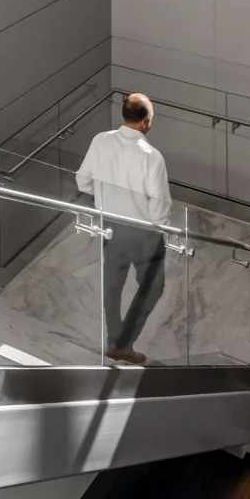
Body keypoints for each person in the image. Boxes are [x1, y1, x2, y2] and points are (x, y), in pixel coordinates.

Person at [75, 92, 171, 365]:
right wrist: (161, 229)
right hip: (143, 233)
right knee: (152, 286)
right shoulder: (152, 157)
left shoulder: (100, 141)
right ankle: (123, 344)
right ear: (146, 122)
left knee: (113, 285)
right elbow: (160, 208)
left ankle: (113, 338)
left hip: (110, 226)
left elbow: (83, 181)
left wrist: (104, 198)